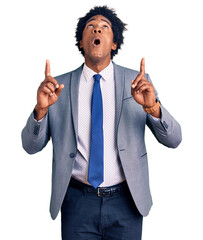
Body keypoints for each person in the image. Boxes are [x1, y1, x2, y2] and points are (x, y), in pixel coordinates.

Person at [21, 5, 182, 240]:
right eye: (91, 27)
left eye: (104, 27)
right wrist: (41, 110)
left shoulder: (137, 83)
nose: (97, 30)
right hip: (77, 202)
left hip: (127, 202)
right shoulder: (57, 88)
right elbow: (30, 146)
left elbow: (174, 139)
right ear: (81, 42)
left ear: (114, 43)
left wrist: (153, 107)